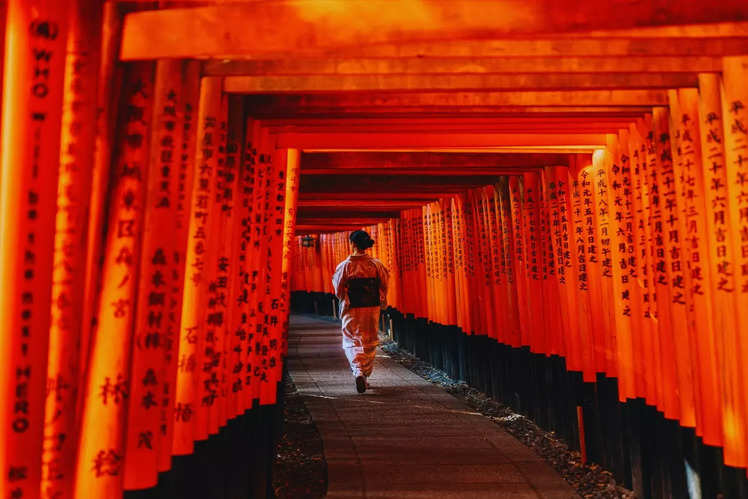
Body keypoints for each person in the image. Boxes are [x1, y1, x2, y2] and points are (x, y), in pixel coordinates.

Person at [332, 230, 389, 393]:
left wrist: (345, 297)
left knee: (351, 340)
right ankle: (365, 373)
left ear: (352, 244)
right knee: (370, 340)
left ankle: (358, 371)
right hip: (371, 307)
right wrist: (382, 299)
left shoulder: (345, 265)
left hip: (351, 307)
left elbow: (338, 289)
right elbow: (384, 284)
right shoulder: (376, 264)